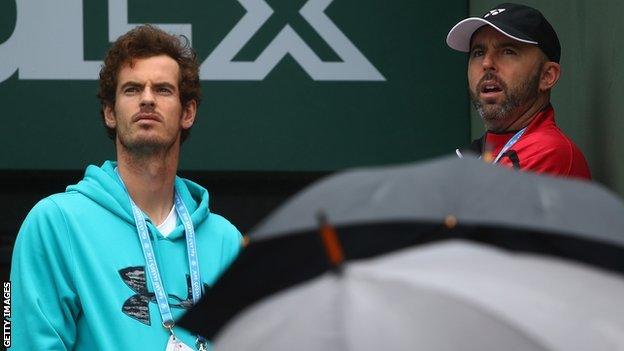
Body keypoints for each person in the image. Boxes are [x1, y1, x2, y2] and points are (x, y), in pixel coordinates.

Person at [10, 25, 242, 350]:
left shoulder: (225, 241)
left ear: (187, 112)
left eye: (163, 89)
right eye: (132, 89)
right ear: (110, 113)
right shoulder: (57, 223)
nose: (147, 99)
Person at [447, 3, 591, 179]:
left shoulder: (548, 151)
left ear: (547, 76)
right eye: (478, 52)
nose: (486, 63)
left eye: (508, 51)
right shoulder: (479, 153)